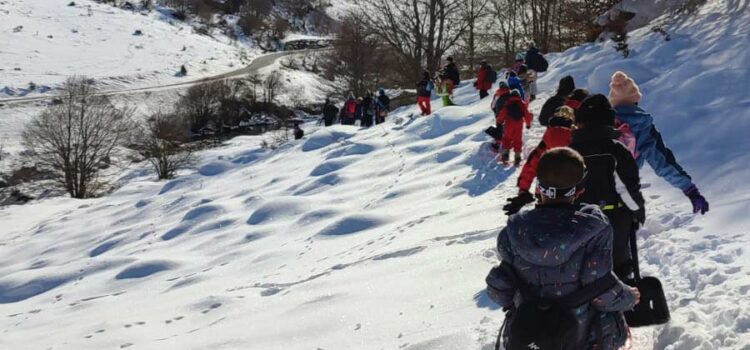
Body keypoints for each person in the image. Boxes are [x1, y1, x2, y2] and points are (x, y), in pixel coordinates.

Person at [486, 147, 638, 350]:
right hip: (582, 338)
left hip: (530, 335)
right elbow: (601, 291)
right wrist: (628, 298)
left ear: (538, 188)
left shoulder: (515, 231)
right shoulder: (594, 228)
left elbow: (500, 289)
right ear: (581, 190)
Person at [609, 71, 709, 215]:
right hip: (624, 188)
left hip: (591, 189)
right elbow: (661, 162)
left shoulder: (601, 121)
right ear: (635, 100)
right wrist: (690, 190)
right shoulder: (642, 124)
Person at [570, 94, 646, 279]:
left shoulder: (570, 151)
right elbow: (626, 187)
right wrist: (637, 211)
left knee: (582, 263)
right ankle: (621, 298)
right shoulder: (616, 150)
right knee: (616, 263)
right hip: (613, 218)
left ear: (580, 123)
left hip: (577, 219)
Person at [504, 106, 576, 215]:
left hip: (544, 194)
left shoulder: (544, 144)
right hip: (570, 194)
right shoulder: (576, 141)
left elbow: (530, 167)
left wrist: (523, 191)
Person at [496, 89, 532, 165]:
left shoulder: (508, 103)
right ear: (518, 95)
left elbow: (502, 113)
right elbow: (527, 114)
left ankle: (506, 153)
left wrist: (499, 122)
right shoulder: (522, 104)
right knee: (517, 139)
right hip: (519, 125)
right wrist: (528, 124)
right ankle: (517, 157)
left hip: (509, 124)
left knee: (507, 138)